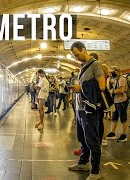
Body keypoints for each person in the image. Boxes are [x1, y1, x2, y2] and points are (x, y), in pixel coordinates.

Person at [68, 41, 106, 180]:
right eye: (74, 56)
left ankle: (95, 171)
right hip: (80, 108)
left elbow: (102, 86)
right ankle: (83, 163)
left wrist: (81, 88)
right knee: (82, 138)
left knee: (92, 140)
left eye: (77, 54)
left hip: (90, 109)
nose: (76, 58)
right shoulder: (82, 66)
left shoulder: (95, 65)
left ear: (84, 50)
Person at [106, 66, 128, 142]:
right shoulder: (115, 79)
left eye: (113, 72)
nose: (112, 74)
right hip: (116, 101)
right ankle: (112, 133)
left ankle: (124, 135)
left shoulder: (122, 79)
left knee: (123, 118)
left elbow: (121, 90)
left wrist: (112, 91)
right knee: (114, 118)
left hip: (122, 101)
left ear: (118, 71)